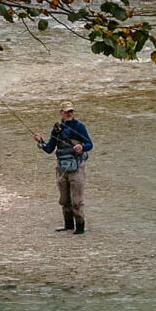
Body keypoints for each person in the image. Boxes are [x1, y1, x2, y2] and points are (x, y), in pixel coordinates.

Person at [33, 100, 93, 235]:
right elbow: (49, 149)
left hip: (77, 168)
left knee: (77, 201)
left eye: (71, 111)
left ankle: (80, 228)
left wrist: (82, 147)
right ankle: (68, 226)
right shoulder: (56, 129)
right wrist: (40, 141)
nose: (69, 114)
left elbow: (90, 144)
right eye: (66, 111)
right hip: (61, 169)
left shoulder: (79, 127)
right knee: (64, 200)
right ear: (61, 113)